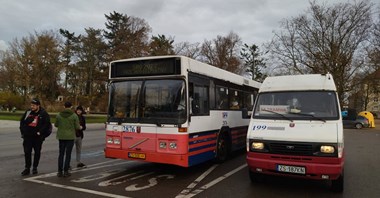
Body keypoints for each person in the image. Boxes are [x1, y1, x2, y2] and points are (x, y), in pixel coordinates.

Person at [19, 98, 51, 176]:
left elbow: (47, 125)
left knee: (37, 153)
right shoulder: (28, 112)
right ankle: (27, 168)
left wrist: (40, 133)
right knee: (27, 152)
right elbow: (22, 122)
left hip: (37, 138)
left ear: (38, 106)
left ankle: (35, 167)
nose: (32, 107)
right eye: (31, 105)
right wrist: (23, 131)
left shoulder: (43, 114)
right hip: (28, 137)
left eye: (33, 105)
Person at [55, 102, 80, 177]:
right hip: (70, 137)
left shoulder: (59, 115)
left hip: (61, 136)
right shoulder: (74, 116)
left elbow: (56, 125)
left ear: (64, 106)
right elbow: (77, 127)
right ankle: (66, 171)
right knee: (68, 154)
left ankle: (60, 171)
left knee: (61, 154)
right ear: (71, 107)